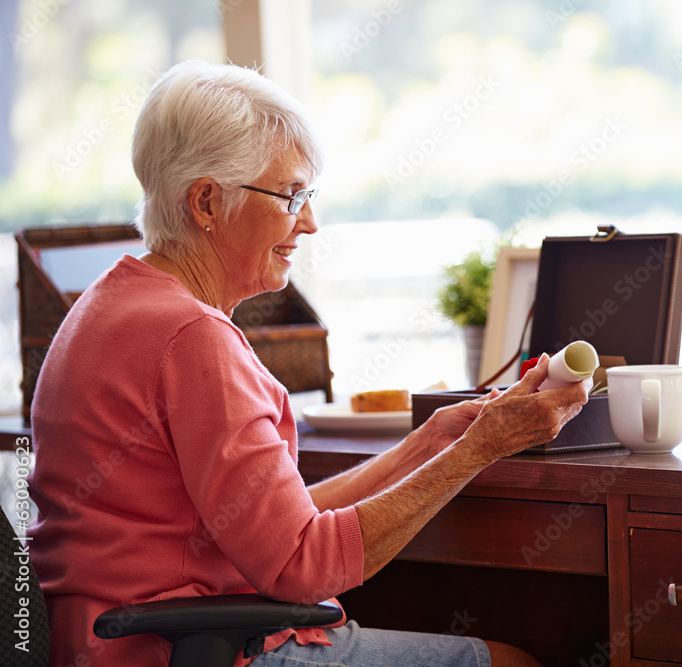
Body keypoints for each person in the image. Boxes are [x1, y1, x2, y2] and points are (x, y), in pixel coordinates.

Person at [27, 60, 591, 667]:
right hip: (173, 651)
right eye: (291, 196)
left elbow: (273, 526)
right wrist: (480, 449)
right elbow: (303, 564)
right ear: (207, 202)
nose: (310, 222)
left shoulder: (109, 305)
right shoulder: (192, 337)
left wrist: (431, 441)